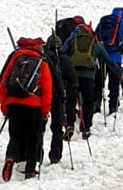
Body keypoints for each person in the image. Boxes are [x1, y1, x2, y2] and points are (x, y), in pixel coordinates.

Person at [0, 37, 52, 181]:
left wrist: (5, 107)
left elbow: (3, 84)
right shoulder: (41, 62)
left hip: (14, 103)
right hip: (34, 105)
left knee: (15, 136)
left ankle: (10, 158)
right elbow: (47, 90)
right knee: (33, 137)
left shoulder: (15, 59)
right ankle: (30, 170)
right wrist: (45, 111)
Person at [61, 23, 122, 139]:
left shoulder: (71, 40)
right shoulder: (94, 43)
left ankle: (70, 125)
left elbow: (62, 54)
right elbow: (107, 60)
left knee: (70, 101)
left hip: (72, 76)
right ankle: (86, 128)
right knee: (88, 102)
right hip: (88, 77)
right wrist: (119, 72)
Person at [43, 34, 77, 164]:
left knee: (40, 127)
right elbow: (73, 79)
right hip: (58, 96)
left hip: (44, 96)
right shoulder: (64, 59)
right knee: (57, 127)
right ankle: (55, 156)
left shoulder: (43, 58)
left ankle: (36, 156)